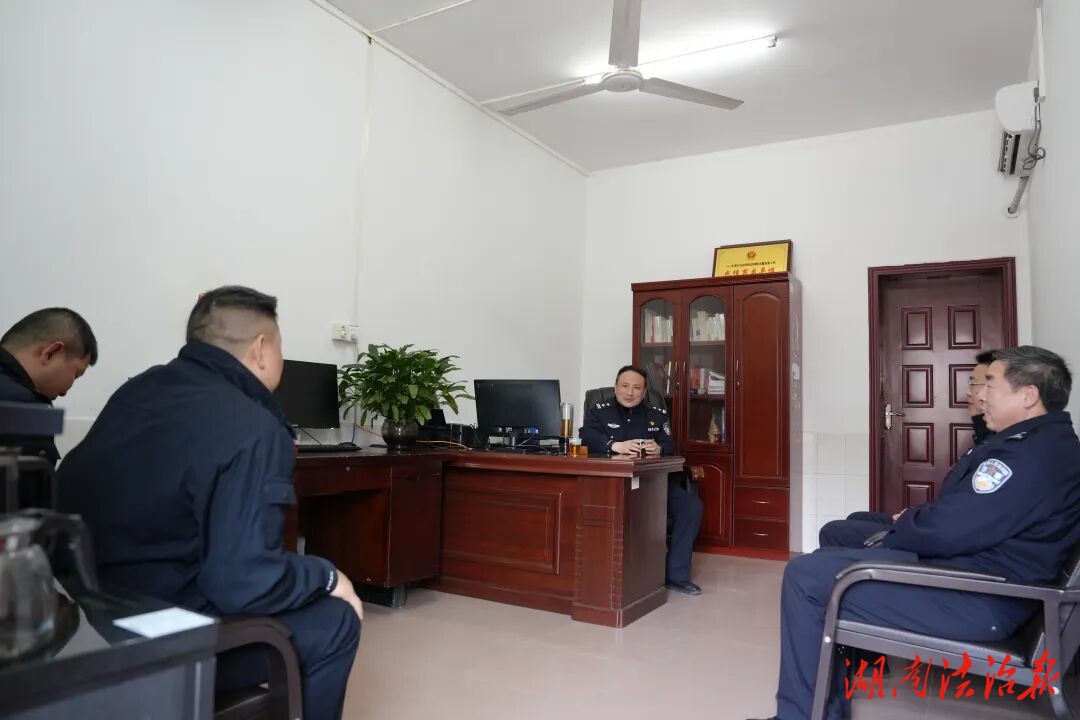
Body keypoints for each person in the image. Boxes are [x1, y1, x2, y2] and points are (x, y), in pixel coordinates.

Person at [57, 286, 361, 720]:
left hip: (86, 613)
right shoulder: (254, 429)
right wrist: (327, 575)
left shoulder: (137, 391)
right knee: (337, 621)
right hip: (165, 636)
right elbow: (245, 582)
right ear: (261, 349)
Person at [750, 345, 1080, 720]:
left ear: (1028, 395)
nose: (980, 394)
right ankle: (827, 704)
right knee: (827, 560)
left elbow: (951, 529)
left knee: (806, 575)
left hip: (978, 595)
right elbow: (964, 517)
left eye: (990, 383)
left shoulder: (1029, 456)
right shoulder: (1041, 445)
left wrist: (900, 530)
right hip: (976, 578)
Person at [817, 349, 997, 549]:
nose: (969, 392)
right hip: (938, 525)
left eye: (974, 384)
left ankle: (860, 564)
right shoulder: (987, 440)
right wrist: (917, 515)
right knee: (855, 518)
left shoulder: (1000, 452)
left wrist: (914, 519)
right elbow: (959, 505)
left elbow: (965, 518)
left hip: (939, 540)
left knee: (833, 531)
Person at [580, 364, 704, 595]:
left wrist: (659, 448)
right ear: (616, 387)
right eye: (624, 386)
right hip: (612, 488)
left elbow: (669, 444)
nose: (630, 392)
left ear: (644, 391)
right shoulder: (600, 410)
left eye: (636, 388)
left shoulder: (656, 415)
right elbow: (586, 436)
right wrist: (614, 446)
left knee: (691, 507)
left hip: (653, 486)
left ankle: (676, 576)